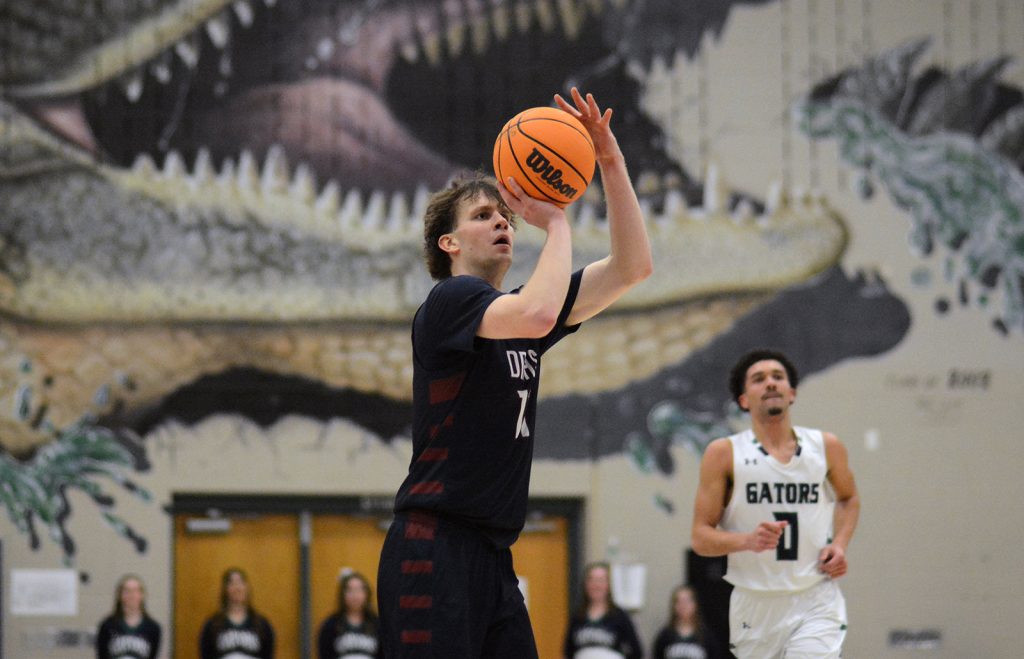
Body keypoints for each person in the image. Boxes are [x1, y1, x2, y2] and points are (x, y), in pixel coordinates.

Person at [377, 86, 653, 659]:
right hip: (434, 546)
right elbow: (539, 313)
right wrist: (557, 224)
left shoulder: (517, 315)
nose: (502, 223)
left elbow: (633, 266)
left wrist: (609, 160)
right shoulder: (450, 301)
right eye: (484, 216)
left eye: (504, 215)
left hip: (492, 557)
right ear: (449, 243)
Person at [690, 349, 860, 658]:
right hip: (755, 604)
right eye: (759, 379)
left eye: (778, 377)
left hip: (816, 597)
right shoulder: (724, 453)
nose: (770, 383)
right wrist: (747, 540)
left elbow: (848, 498)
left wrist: (839, 544)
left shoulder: (826, 447)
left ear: (791, 393)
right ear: (744, 400)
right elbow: (701, 538)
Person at [563, 562, 643, 659]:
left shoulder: (620, 617)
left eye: (601, 580)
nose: (596, 585)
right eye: (591, 580)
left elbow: (636, 651)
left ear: (609, 585)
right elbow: (568, 651)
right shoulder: (577, 616)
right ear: (585, 584)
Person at [199, 567, 275, 659]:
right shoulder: (212, 626)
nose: (237, 588)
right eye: (232, 583)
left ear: (247, 588)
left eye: (241, 582)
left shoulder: (262, 625)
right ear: (225, 589)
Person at [95, 574, 162, 659]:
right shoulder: (107, 626)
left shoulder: (153, 628)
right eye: (127, 591)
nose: (131, 595)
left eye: (135, 590)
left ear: (142, 595)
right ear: (120, 595)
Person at [650, 584, 725, 659]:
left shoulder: (707, 637)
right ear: (674, 606)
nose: (683, 605)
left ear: (695, 604)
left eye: (687, 601)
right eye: (678, 601)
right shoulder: (664, 636)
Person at [317, 571, 381, 659]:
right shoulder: (330, 625)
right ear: (342, 594)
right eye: (350, 590)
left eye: (359, 590)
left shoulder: (377, 624)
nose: (355, 595)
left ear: (367, 593)